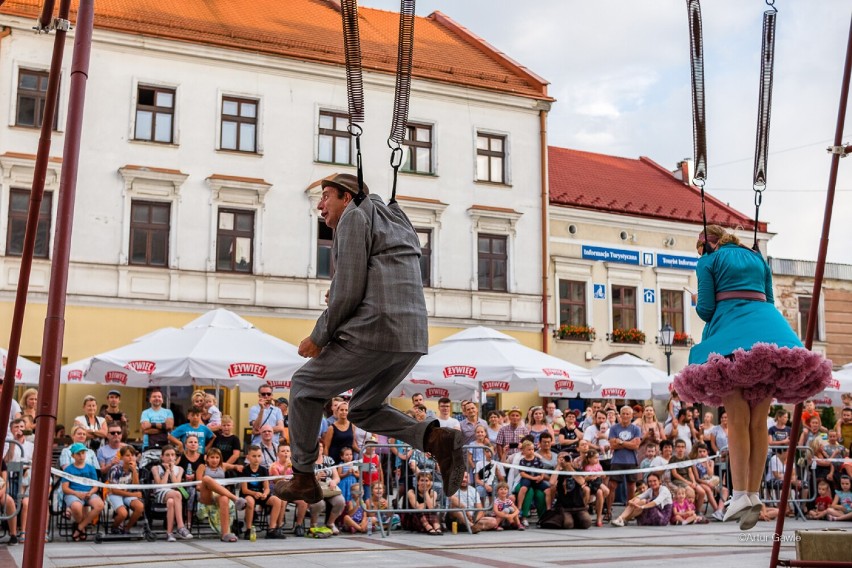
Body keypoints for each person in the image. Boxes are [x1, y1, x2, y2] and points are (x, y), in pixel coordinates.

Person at [275, 174, 464, 505]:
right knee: (362, 408)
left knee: (304, 387)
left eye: (326, 196)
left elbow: (348, 291)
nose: (320, 205)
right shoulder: (395, 216)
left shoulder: (354, 216)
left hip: (377, 329)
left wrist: (319, 336)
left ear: (347, 198)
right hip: (412, 334)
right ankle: (434, 438)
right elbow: (378, 272)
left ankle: (303, 477)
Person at [674, 224, 832, 530]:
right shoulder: (758, 258)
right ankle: (753, 493)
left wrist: (701, 296)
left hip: (733, 336)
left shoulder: (709, 259)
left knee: (736, 419)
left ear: (707, 244)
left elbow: (706, 309)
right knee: (758, 422)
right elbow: (768, 299)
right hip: (769, 334)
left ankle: (738, 494)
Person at [194, 447, 248, 542]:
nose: (215, 460)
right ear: (207, 458)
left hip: (220, 494)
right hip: (206, 495)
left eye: (217, 457)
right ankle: (236, 499)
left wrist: (238, 467)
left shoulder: (223, 466)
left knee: (224, 498)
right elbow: (198, 486)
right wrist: (211, 486)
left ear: (220, 458)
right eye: (212, 457)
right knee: (206, 478)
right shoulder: (202, 467)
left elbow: (235, 466)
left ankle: (225, 534)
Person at [62, 442, 105, 541]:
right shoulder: (68, 469)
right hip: (73, 493)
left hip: (89, 492)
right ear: (73, 456)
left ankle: (80, 527)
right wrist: (77, 494)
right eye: (78, 454)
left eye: (83, 453)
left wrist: (91, 492)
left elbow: (96, 485)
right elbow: (65, 488)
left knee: (100, 505)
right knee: (77, 507)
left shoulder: (91, 468)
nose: (81, 456)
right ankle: (82, 529)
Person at [241, 445, 285, 539]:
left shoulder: (264, 470)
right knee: (250, 501)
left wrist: (265, 493)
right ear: (248, 457)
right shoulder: (245, 470)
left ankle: (271, 529)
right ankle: (248, 529)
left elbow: (267, 487)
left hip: (261, 494)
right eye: (254, 456)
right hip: (248, 494)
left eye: (259, 456)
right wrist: (254, 493)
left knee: (277, 500)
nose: (256, 459)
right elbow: (244, 490)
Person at [151, 445, 192, 541]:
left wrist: (172, 470)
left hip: (173, 494)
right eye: (167, 455)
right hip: (160, 493)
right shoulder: (155, 468)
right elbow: (160, 485)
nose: (170, 457)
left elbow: (177, 484)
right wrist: (166, 471)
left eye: (173, 455)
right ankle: (181, 526)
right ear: (162, 457)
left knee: (171, 502)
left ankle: (169, 533)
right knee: (177, 494)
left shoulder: (180, 469)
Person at [606, 405, 642, 515]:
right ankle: (608, 511)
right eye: (623, 413)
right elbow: (612, 445)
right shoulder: (614, 428)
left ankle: (629, 511)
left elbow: (636, 446)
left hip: (631, 461)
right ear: (620, 415)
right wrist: (629, 443)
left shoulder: (636, 429)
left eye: (628, 414)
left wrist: (621, 442)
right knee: (612, 486)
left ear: (631, 416)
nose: (625, 416)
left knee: (631, 487)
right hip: (617, 460)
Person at [543, 452, 592, 529]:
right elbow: (552, 483)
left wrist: (570, 468)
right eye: (561, 458)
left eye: (566, 458)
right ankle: (571, 520)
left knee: (587, 523)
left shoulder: (576, 470)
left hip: (578, 505)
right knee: (568, 524)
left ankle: (576, 519)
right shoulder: (556, 471)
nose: (564, 460)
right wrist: (559, 466)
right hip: (564, 506)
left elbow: (582, 482)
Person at [106, 446, 145, 535]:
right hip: (114, 494)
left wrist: (135, 471)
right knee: (123, 513)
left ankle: (127, 528)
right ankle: (114, 527)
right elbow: (114, 490)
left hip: (127, 494)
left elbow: (136, 486)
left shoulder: (135, 468)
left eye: (132, 455)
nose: (130, 457)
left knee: (140, 507)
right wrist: (132, 495)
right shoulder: (115, 469)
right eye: (127, 455)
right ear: (122, 457)